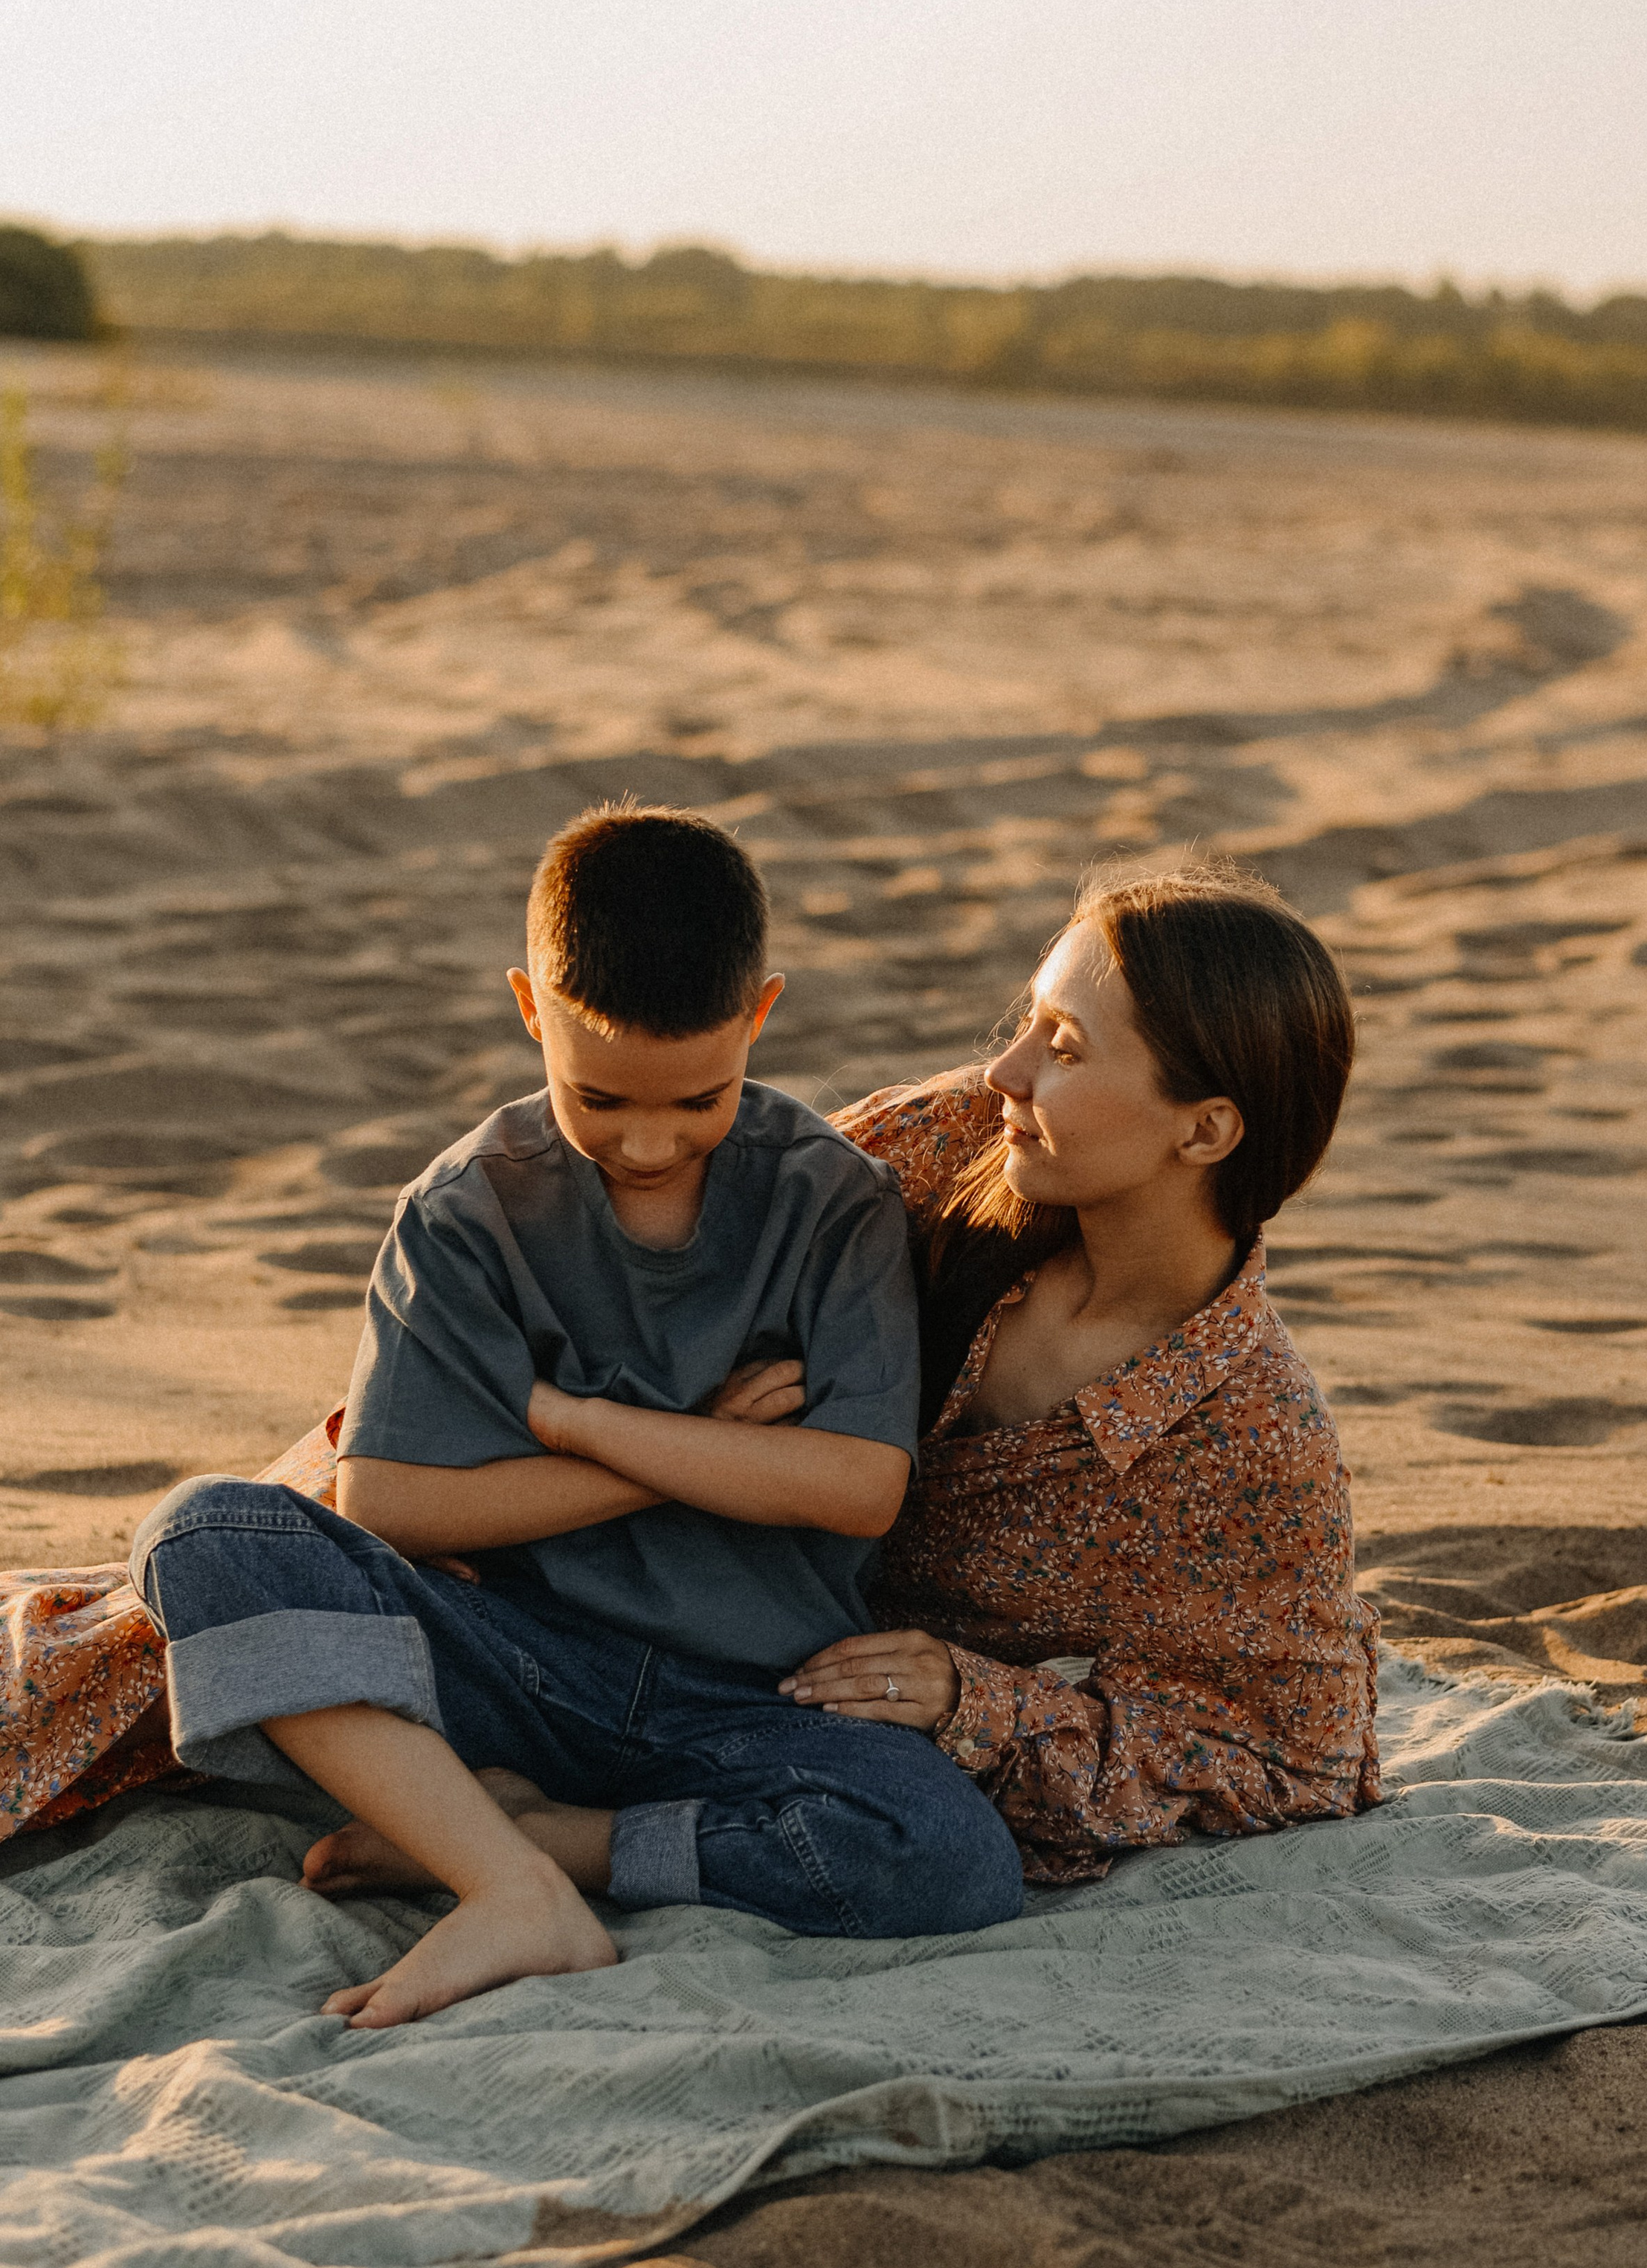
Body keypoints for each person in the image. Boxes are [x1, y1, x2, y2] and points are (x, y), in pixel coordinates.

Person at [123, 801, 1026, 2032]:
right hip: (518, 1659)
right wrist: (697, 1449)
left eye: (699, 1102)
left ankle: (551, 1844)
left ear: (761, 1016)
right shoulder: (465, 1212)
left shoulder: (833, 1202)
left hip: (759, 1695)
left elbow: (859, 1485)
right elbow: (388, 1505)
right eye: (599, 1100)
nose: (648, 1143)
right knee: (200, 1537)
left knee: (949, 1857)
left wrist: (571, 1420)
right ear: (529, 1008)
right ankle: (508, 1888)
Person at [483, 862, 1381, 1899]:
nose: (1007, 1071)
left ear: (1206, 1129)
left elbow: (1299, 1762)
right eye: (1031, 1023)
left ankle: (560, 1845)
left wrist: (976, 1701)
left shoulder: (1250, 1442)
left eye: (1066, 1048)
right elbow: (589, 1246)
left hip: (800, 1731)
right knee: (275, 1562)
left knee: (938, 1859)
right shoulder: (949, 1145)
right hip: (589, 1581)